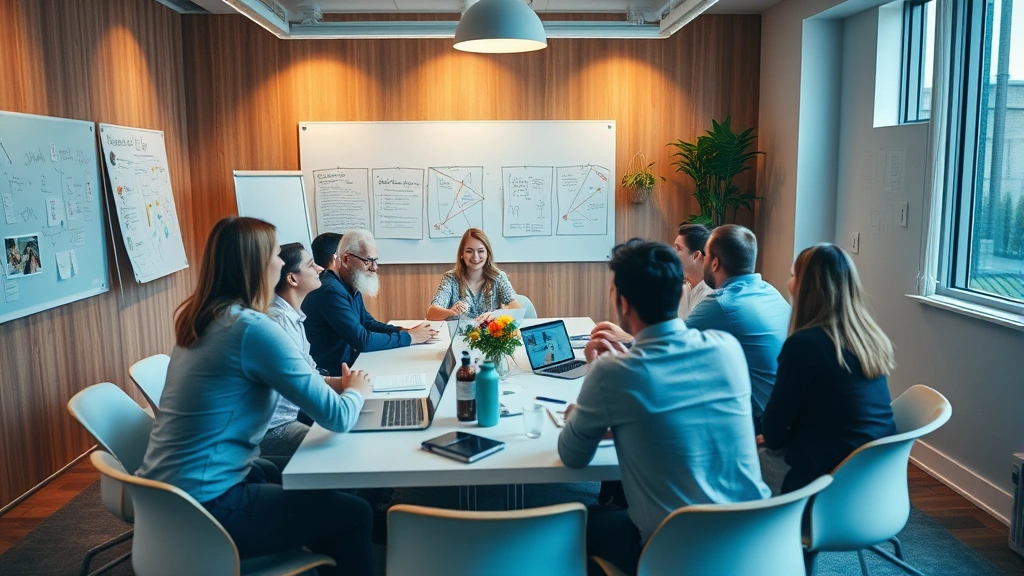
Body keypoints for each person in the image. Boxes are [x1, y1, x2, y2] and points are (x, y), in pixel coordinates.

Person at [136, 217, 374, 576]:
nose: (281, 263)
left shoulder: (205, 318)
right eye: (274, 255)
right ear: (258, 265)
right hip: (208, 507)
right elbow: (337, 417)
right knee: (356, 514)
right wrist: (357, 390)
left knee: (274, 473)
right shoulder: (253, 329)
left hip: (166, 501)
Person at [559, 239, 770, 575]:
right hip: (757, 542)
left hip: (676, 556)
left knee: (573, 521)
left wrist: (594, 378)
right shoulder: (726, 348)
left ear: (623, 304)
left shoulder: (611, 373)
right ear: (678, 292)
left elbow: (572, 455)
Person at [591, 225, 790, 434]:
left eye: (706, 256)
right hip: (784, 414)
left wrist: (617, 353)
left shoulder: (721, 303)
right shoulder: (770, 291)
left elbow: (669, 349)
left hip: (758, 421)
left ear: (713, 262)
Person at [760, 244, 897, 494]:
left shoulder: (803, 345)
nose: (788, 283)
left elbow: (773, 432)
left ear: (807, 287)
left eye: (792, 276)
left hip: (824, 481)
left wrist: (768, 436)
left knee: (735, 462)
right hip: (874, 483)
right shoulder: (871, 339)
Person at [259, 242, 352, 469]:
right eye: (311, 265)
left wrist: (344, 383)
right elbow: (314, 396)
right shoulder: (278, 323)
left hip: (287, 419)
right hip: (273, 431)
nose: (320, 269)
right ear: (292, 279)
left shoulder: (293, 316)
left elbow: (309, 373)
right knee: (347, 445)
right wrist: (355, 393)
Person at [303, 229, 436, 374]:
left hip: (351, 365)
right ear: (346, 259)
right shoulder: (331, 290)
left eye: (375, 261)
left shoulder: (349, 282)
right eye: (368, 261)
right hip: (331, 376)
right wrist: (410, 337)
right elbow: (362, 341)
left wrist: (403, 330)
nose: (374, 268)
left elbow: (367, 323)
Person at [425, 228, 522, 320]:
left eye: (480, 251)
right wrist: (451, 312)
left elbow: (517, 309)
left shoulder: (498, 277)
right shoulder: (451, 278)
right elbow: (431, 312)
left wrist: (495, 315)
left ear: (487, 253)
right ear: (462, 254)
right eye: (469, 251)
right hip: (459, 336)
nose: (475, 257)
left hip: (490, 336)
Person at [672, 223, 713, 319]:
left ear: (696, 255)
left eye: (678, 248)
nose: (672, 253)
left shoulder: (712, 296)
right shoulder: (681, 290)